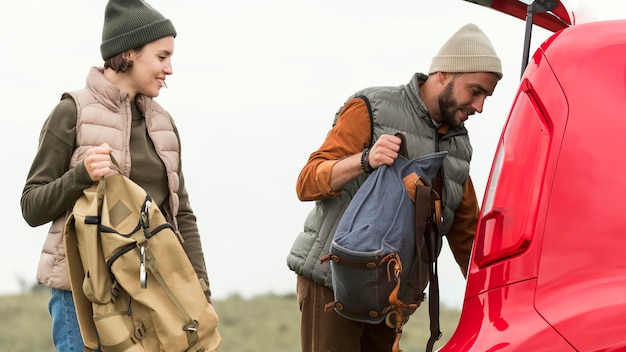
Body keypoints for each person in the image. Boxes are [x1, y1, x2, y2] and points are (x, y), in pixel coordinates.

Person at [286, 23, 503, 351]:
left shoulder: (459, 147)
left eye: (486, 96)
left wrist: (497, 305)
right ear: (443, 74)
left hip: (391, 299)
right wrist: (364, 160)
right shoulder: (372, 107)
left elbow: (466, 236)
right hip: (333, 284)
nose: (480, 106)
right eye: (475, 91)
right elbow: (308, 182)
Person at [20, 0, 216, 350]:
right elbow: (32, 205)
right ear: (128, 53)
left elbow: (180, 214)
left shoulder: (164, 124)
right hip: (82, 297)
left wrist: (200, 288)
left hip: (151, 293)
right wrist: (80, 176)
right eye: (161, 57)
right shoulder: (71, 113)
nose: (169, 69)